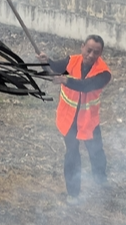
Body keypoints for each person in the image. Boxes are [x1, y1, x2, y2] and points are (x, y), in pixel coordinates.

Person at [37, 35, 112, 204]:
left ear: (101, 53)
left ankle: (100, 180)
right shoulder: (71, 60)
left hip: (88, 121)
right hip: (68, 118)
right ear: (82, 47)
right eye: (89, 50)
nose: (91, 55)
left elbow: (86, 86)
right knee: (72, 154)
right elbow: (54, 67)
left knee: (96, 152)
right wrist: (45, 61)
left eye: (96, 52)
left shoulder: (104, 73)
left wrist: (64, 79)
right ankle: (73, 193)